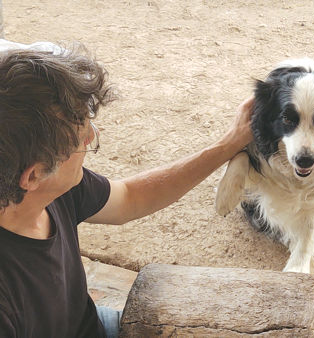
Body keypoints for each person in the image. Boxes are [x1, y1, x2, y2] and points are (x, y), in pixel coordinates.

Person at [0, 39, 254, 338]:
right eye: (83, 140)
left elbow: (132, 197)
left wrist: (227, 145)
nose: (93, 135)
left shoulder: (53, 188)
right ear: (32, 177)